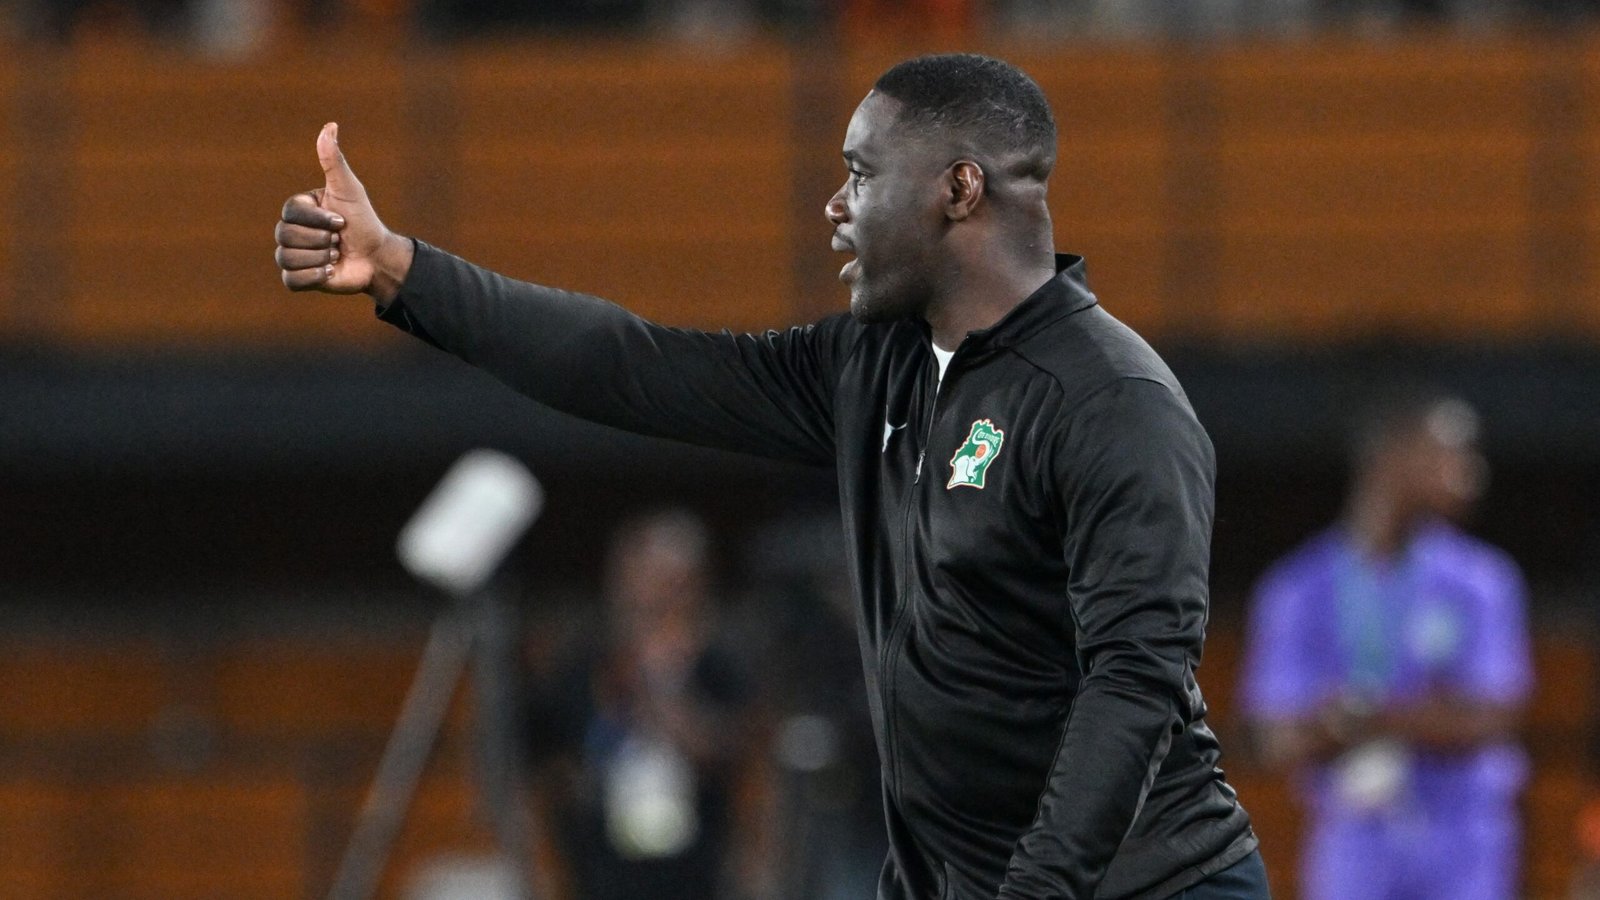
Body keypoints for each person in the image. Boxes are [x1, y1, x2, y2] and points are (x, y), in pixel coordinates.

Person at [274, 54, 1264, 899]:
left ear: (959, 189)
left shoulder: (1114, 401)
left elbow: (1133, 684)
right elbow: (633, 364)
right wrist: (402, 269)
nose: (834, 206)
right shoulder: (869, 366)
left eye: (861, 173)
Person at [1239, 392, 1533, 900]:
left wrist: (1360, 719)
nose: (1471, 469)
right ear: (1392, 460)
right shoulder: (1297, 588)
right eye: (1450, 452)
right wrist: (1399, 720)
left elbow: (1493, 716)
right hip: (1355, 842)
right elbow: (1269, 736)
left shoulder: (1483, 581)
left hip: (1464, 845)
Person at [523, 509, 770, 900]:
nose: (640, 593)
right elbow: (546, 751)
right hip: (600, 863)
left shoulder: (722, 659)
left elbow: (740, 748)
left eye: (661, 580)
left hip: (699, 864)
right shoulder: (584, 657)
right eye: (631, 576)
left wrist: (661, 699)